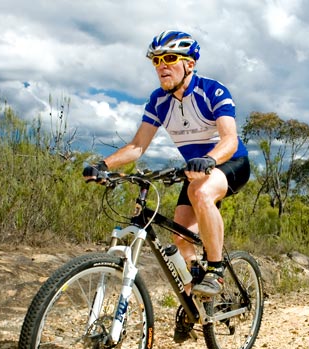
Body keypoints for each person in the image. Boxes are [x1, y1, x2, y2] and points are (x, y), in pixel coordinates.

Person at [83, 30, 250, 299]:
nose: (162, 66)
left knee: (201, 192)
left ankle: (216, 271)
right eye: (156, 61)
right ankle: (196, 294)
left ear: (189, 64)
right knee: (180, 236)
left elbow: (230, 139)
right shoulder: (158, 101)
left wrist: (210, 159)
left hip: (230, 163)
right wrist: (103, 164)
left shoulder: (212, 91)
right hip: (195, 172)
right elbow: (137, 146)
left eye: (170, 58)